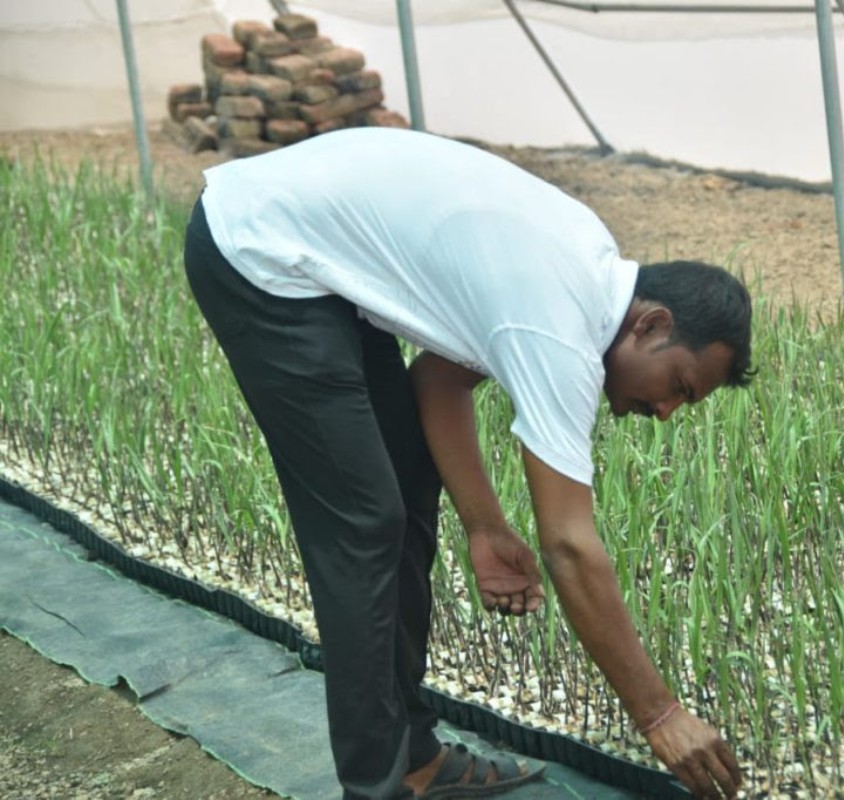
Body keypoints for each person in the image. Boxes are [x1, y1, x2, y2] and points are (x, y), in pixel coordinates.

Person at [183, 127, 752, 800]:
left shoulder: (587, 272)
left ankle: (414, 759)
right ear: (651, 325)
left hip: (314, 258)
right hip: (258, 250)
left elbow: (439, 381)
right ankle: (376, 788)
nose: (665, 412)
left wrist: (484, 527)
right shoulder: (561, 329)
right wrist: (660, 716)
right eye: (679, 386)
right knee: (365, 523)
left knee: (405, 485)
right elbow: (570, 546)